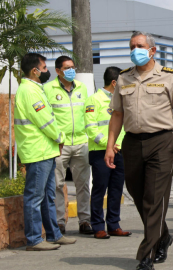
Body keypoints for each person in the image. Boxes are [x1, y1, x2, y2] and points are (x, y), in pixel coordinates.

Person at [106, 31, 173, 270]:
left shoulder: (168, 76)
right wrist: (110, 145)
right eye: (132, 46)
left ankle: (146, 255)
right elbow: (117, 115)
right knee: (139, 196)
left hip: (161, 142)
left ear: (152, 50)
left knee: (154, 199)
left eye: (140, 46)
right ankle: (162, 236)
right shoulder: (123, 78)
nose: (135, 50)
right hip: (132, 143)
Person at [14, 53, 76, 251]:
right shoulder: (29, 91)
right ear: (35, 71)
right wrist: (60, 137)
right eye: (45, 67)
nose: (47, 71)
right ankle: (34, 240)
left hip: (45, 150)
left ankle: (54, 234)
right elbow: (45, 121)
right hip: (37, 151)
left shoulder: (35, 89)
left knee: (48, 195)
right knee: (35, 197)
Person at [44, 56, 92, 235]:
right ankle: (59, 222)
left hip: (81, 142)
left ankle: (85, 221)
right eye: (66, 68)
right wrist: (56, 139)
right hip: (59, 145)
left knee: (83, 184)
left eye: (72, 67)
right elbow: (47, 118)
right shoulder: (48, 89)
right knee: (58, 184)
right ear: (57, 71)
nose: (71, 71)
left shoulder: (82, 88)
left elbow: (88, 113)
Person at [84, 66, 131, 239]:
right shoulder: (93, 100)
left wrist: (120, 146)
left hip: (120, 152)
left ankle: (113, 224)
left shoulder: (122, 101)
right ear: (114, 82)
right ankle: (97, 226)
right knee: (99, 189)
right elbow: (91, 129)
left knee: (116, 190)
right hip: (100, 152)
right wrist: (109, 145)